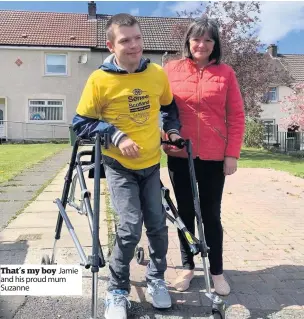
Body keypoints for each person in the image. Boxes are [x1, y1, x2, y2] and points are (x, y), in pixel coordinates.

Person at [72, 13, 182, 319]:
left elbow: (170, 106)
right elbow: (81, 125)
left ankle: (156, 278)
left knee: (159, 226)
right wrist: (115, 135)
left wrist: (172, 131)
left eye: (137, 38)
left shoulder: (157, 74)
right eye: (125, 41)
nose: (133, 46)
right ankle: (117, 290)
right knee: (130, 227)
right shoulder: (99, 80)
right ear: (111, 45)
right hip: (119, 166)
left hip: (151, 165)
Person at [162, 17, 245, 296]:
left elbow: (236, 116)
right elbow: (162, 111)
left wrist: (231, 154)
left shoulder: (226, 74)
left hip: (213, 156)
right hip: (180, 153)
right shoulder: (170, 70)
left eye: (208, 39)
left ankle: (217, 272)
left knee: (210, 214)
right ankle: (187, 268)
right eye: (197, 38)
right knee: (184, 213)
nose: (202, 44)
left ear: (215, 44)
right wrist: (166, 140)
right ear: (188, 41)